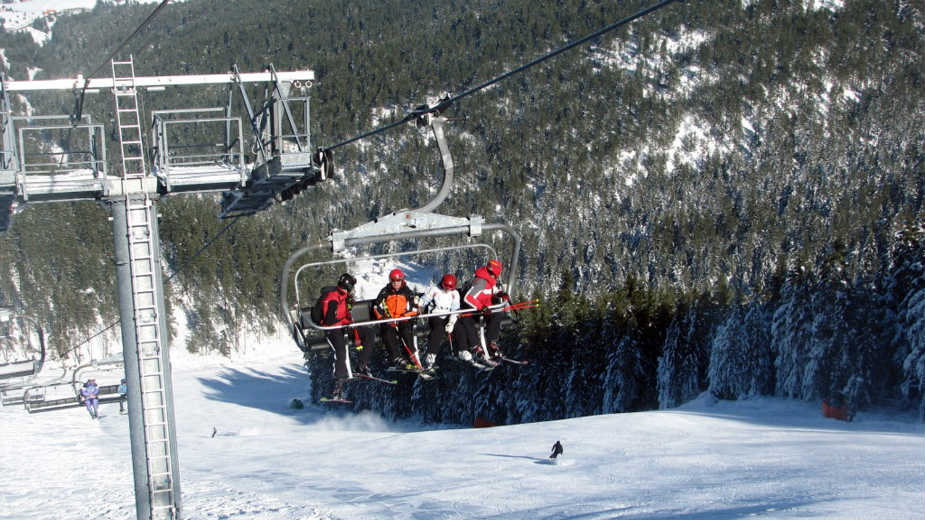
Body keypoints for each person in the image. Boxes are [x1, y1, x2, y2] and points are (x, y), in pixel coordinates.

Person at [319, 273, 365, 399]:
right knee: (341, 351)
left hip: (343, 327)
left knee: (368, 334)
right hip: (334, 329)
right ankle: (338, 385)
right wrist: (343, 321)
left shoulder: (344, 297)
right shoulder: (334, 297)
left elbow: (346, 313)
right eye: (352, 287)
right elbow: (330, 319)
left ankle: (362, 365)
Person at [458, 259, 509, 363]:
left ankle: (491, 342)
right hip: (473, 311)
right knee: (466, 321)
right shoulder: (481, 281)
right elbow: (468, 298)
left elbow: (492, 289)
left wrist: (499, 293)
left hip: (485, 310)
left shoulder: (489, 280)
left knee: (498, 314)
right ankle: (475, 346)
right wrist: (481, 307)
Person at [373, 268, 420, 368]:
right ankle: (396, 356)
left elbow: (415, 308)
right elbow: (376, 306)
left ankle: (411, 355)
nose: (396, 284)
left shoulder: (407, 292)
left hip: (402, 318)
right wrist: (384, 318)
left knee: (406, 331)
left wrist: (405, 316)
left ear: (402, 281)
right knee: (387, 333)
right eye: (393, 281)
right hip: (389, 319)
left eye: (398, 281)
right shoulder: (385, 291)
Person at [419, 273, 461, 369]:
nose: (447, 289)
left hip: (448, 314)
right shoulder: (435, 289)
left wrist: (451, 322)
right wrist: (420, 304)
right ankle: (431, 355)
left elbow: (455, 309)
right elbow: (425, 299)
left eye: (450, 287)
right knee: (439, 329)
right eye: (445, 286)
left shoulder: (455, 293)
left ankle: (462, 350)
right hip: (435, 314)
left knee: (459, 327)